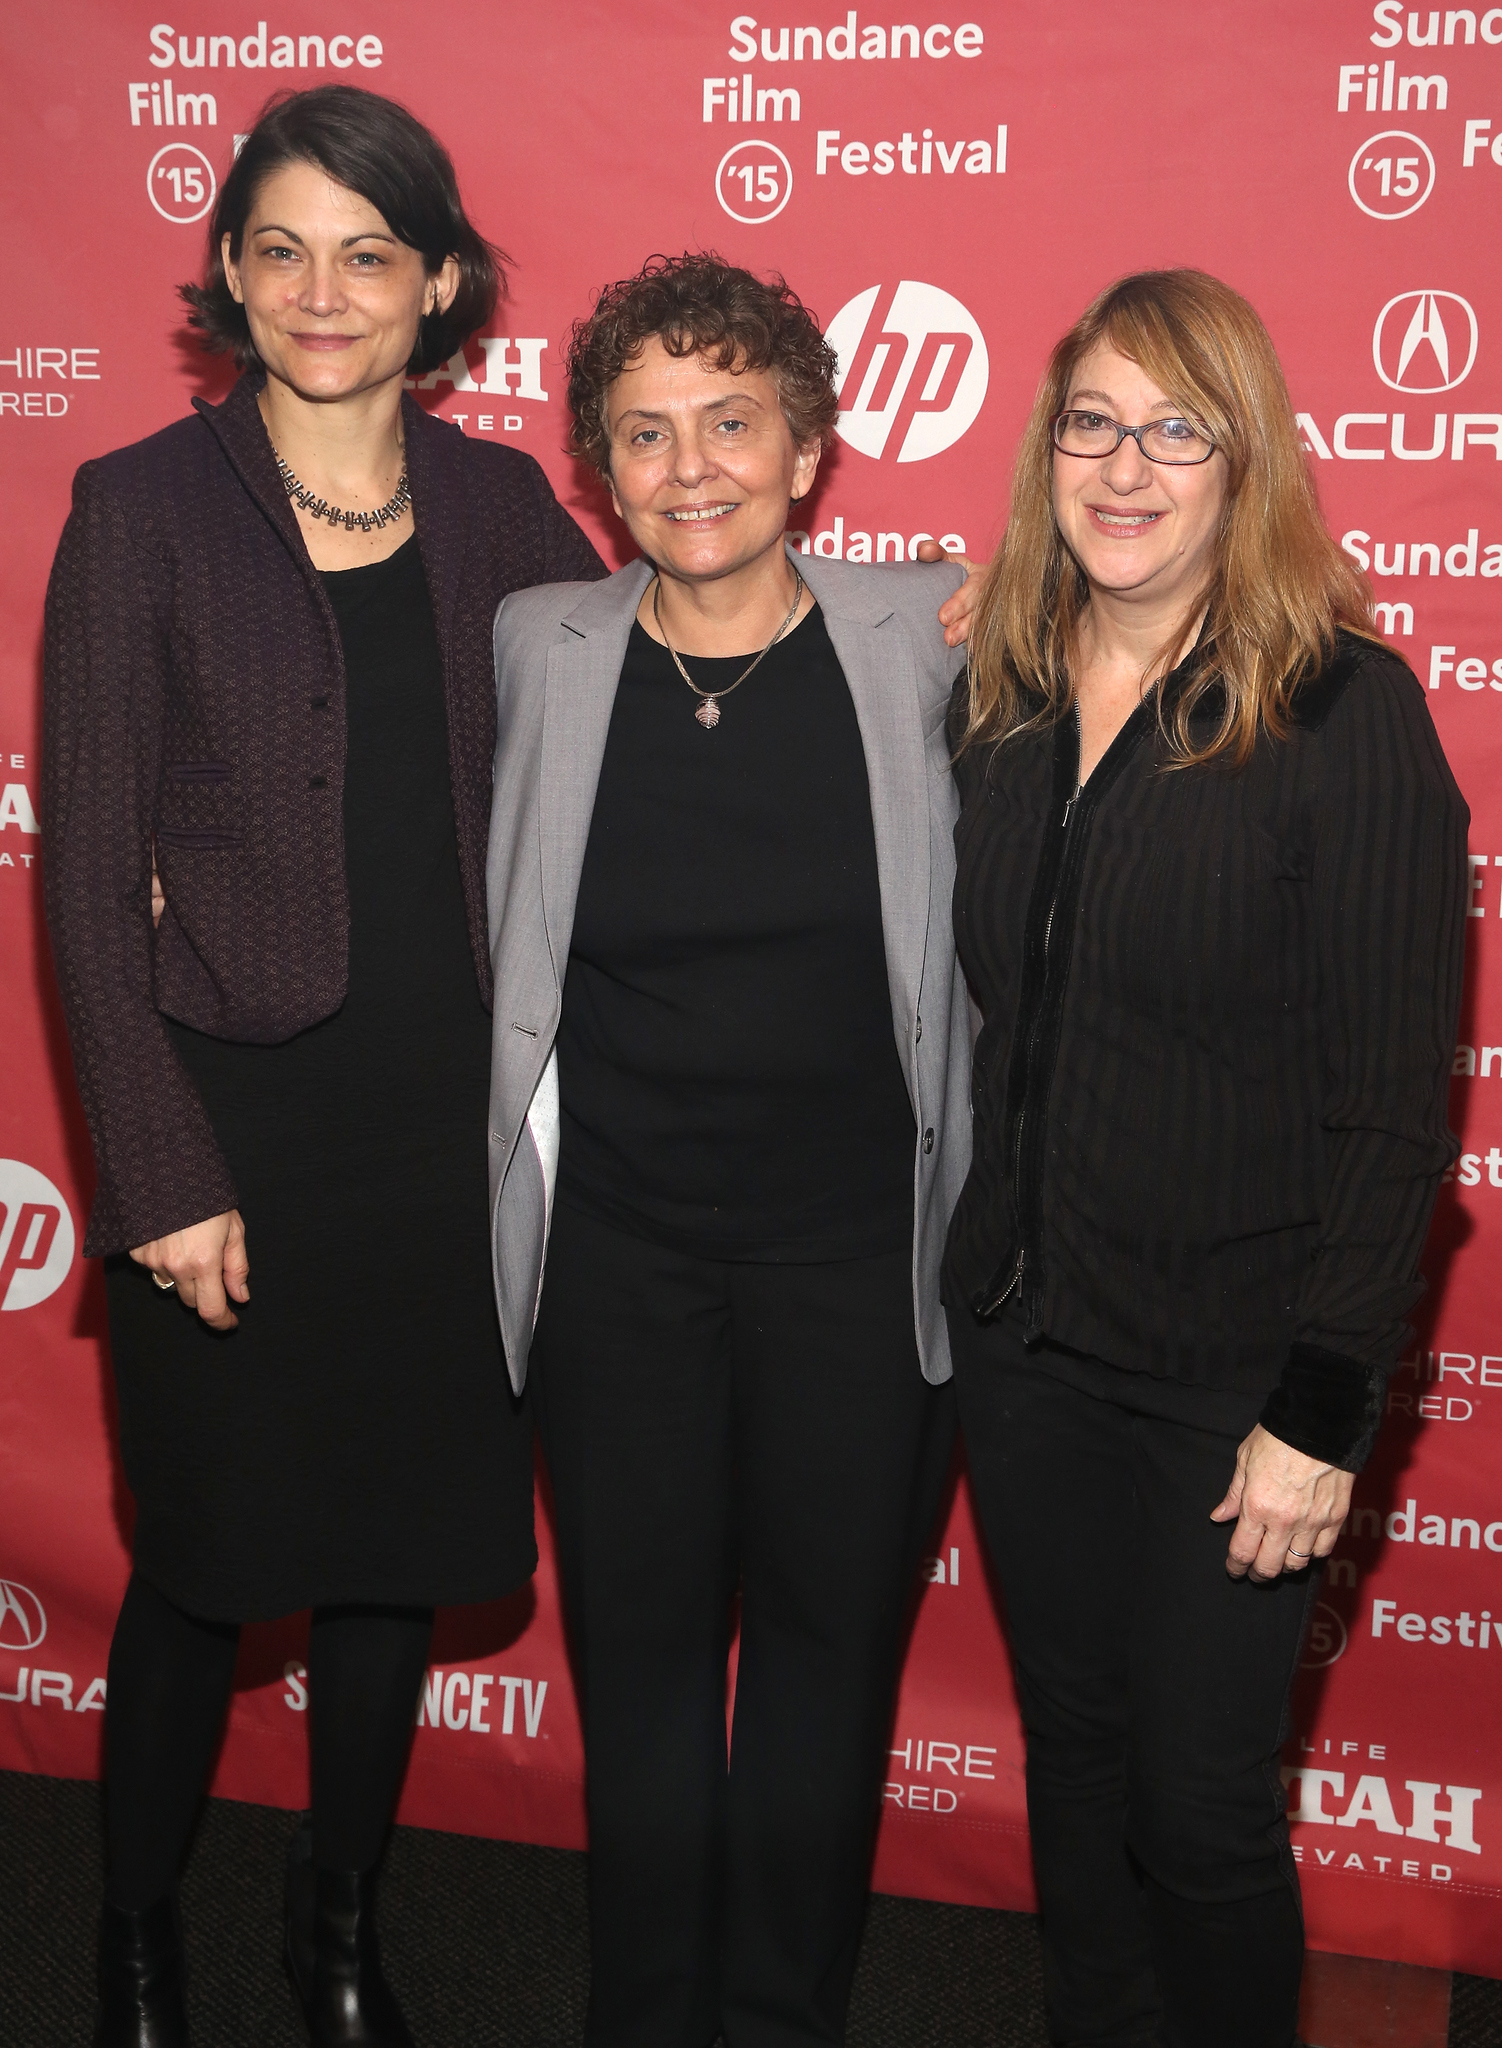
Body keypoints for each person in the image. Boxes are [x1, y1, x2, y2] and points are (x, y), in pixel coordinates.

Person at [43, 85, 607, 2048]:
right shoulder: (139, 508)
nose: (321, 288)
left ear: (439, 282)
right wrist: (162, 1169)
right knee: (208, 1574)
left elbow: (659, 715)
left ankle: (336, 1932)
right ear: (226, 272)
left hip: (447, 1144)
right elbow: (85, 887)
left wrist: (904, 643)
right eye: (278, 246)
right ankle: (128, 1939)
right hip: (240, 1135)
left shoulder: (504, 515)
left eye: (369, 250)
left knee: (392, 1563)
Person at [942, 268, 1468, 2048]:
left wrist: (1323, 1411)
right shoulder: (999, 694)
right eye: (1090, 421)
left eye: (1179, 430)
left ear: (1248, 466)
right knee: (1077, 1777)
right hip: (1024, 1350)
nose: (1126, 466)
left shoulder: (1341, 713)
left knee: (1198, 1806)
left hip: (1236, 1382)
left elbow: (1400, 1107)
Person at [484, 252, 973, 2048]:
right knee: (643, 1679)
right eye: (643, 434)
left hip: (859, 1267)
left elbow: (1155, 647)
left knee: (829, 1684)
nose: (689, 468)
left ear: (806, 448)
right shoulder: (536, 650)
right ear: (598, 470)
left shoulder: (923, 634)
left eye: (729, 423)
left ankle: (779, 2018)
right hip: (618, 1269)